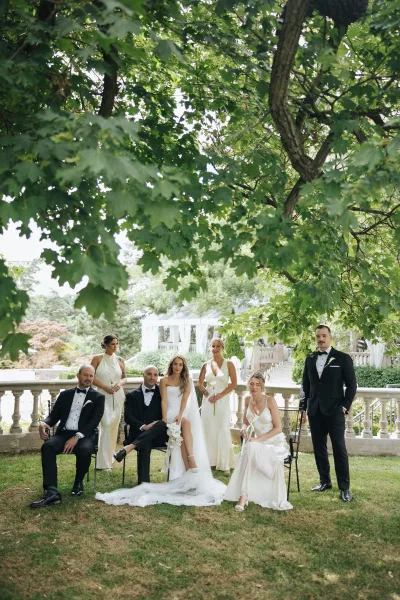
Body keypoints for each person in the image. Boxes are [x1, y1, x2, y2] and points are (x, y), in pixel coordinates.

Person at [96, 355, 226, 507]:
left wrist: (178, 415)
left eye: (180, 365)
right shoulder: (160, 383)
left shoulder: (186, 381)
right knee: (161, 428)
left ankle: (131, 448)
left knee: (183, 423)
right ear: (171, 366)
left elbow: (184, 400)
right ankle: (146, 481)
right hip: (163, 419)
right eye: (175, 364)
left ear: (183, 367)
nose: (178, 367)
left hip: (178, 415)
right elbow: (163, 401)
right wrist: (164, 419)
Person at [30, 365, 105, 508]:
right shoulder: (65, 395)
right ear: (78, 376)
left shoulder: (98, 397)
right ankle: (51, 491)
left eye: (91, 376)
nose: (88, 378)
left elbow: (94, 422)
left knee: (85, 449)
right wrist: (44, 424)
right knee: (48, 447)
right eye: (85, 375)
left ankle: (78, 482)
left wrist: (77, 437)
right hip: (64, 433)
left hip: (85, 435)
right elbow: (53, 416)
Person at [301, 325, 357, 502]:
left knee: (339, 448)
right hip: (315, 411)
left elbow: (352, 385)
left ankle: (345, 488)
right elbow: (305, 386)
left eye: (324, 336)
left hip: (335, 411)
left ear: (330, 337)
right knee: (319, 448)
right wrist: (303, 408)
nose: (321, 339)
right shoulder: (309, 359)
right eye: (318, 336)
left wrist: (345, 406)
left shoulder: (342, 358)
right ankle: (324, 481)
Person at [224, 372, 293, 511]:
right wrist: (243, 430)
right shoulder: (247, 400)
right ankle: (244, 494)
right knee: (250, 448)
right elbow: (244, 422)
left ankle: (244, 497)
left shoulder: (270, 401)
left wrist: (257, 439)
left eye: (258, 385)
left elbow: (278, 428)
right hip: (257, 443)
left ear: (262, 387)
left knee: (250, 448)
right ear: (248, 385)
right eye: (252, 384)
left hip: (274, 443)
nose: (254, 387)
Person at [113, 365, 168, 484]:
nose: (152, 377)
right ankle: (144, 483)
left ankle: (129, 448)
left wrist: (153, 427)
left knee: (162, 423)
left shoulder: (163, 393)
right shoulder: (131, 395)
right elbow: (128, 417)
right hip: (138, 433)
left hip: (159, 436)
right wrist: (144, 427)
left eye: (155, 374)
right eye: (149, 374)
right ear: (143, 374)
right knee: (145, 442)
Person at [198, 338, 236, 473]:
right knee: (208, 428)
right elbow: (200, 383)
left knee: (222, 428)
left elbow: (233, 383)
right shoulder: (206, 365)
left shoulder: (229, 364)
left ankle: (224, 463)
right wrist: (208, 396)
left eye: (218, 346)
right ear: (210, 348)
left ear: (223, 348)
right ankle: (208, 461)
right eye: (213, 346)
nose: (215, 348)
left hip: (222, 401)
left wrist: (220, 395)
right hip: (208, 402)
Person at [91, 334, 127, 471]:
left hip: (118, 396)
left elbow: (125, 378)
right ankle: (102, 462)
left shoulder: (120, 360)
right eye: (112, 344)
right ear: (105, 345)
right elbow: (90, 377)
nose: (115, 346)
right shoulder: (97, 359)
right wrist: (104, 386)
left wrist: (119, 384)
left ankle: (109, 458)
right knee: (105, 424)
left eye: (116, 344)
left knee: (113, 427)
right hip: (102, 395)